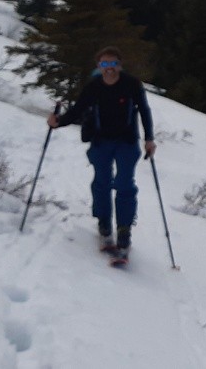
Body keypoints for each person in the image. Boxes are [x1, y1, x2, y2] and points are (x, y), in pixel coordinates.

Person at [47, 46, 157, 254]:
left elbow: (144, 110)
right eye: (104, 64)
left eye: (113, 63)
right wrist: (58, 122)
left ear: (119, 65)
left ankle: (124, 228)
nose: (109, 68)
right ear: (98, 66)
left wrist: (149, 138)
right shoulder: (94, 87)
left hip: (126, 142)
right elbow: (77, 110)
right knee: (102, 182)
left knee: (125, 184)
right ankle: (104, 221)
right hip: (101, 141)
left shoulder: (132, 84)